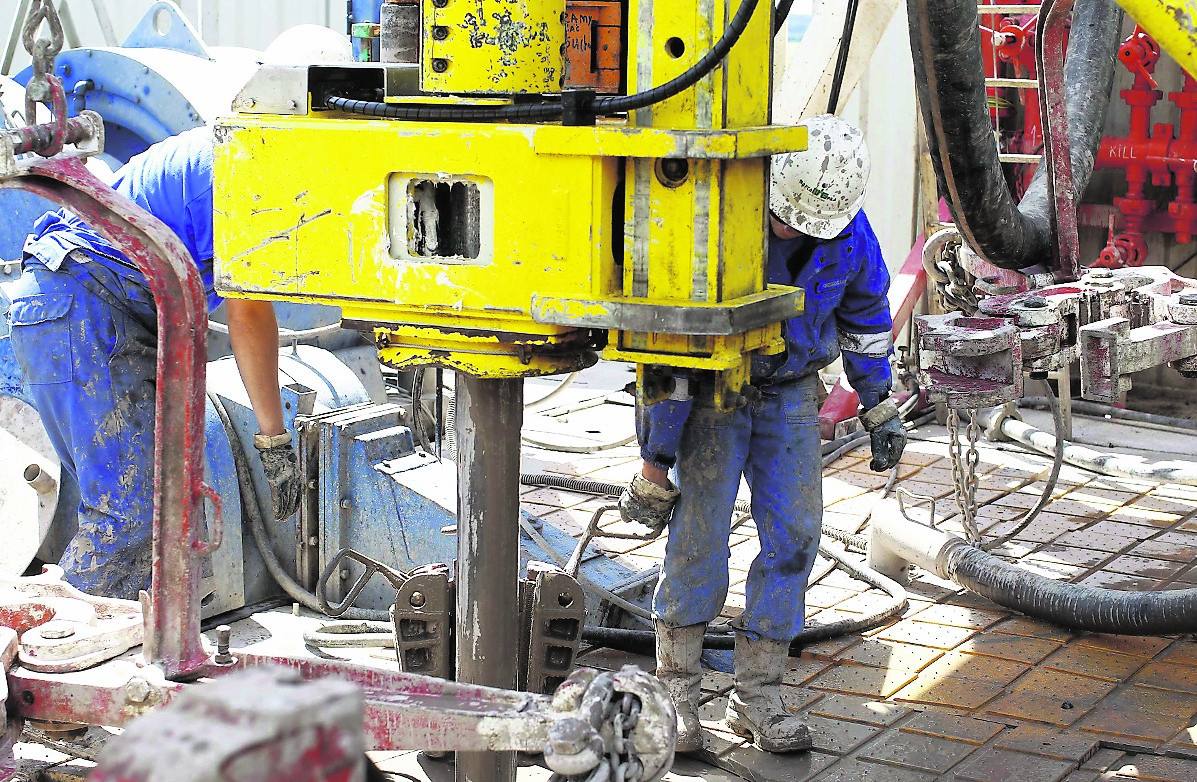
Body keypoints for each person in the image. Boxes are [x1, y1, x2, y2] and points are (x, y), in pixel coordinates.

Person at [0, 25, 351, 600]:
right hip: (80, 302)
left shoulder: (259, 156)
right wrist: (272, 439)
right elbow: (248, 310)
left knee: (157, 511)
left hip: (99, 309)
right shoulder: (248, 166)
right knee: (129, 516)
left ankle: (127, 642)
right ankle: (75, 647)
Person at [619, 115, 906, 754]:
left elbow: (865, 316)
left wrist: (878, 401)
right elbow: (676, 349)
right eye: (788, 220)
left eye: (808, 226)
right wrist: (656, 460)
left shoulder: (849, 234)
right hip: (716, 392)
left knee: (797, 536)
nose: (796, 231)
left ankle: (761, 696)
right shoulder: (725, 221)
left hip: (791, 394)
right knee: (699, 539)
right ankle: (677, 696)